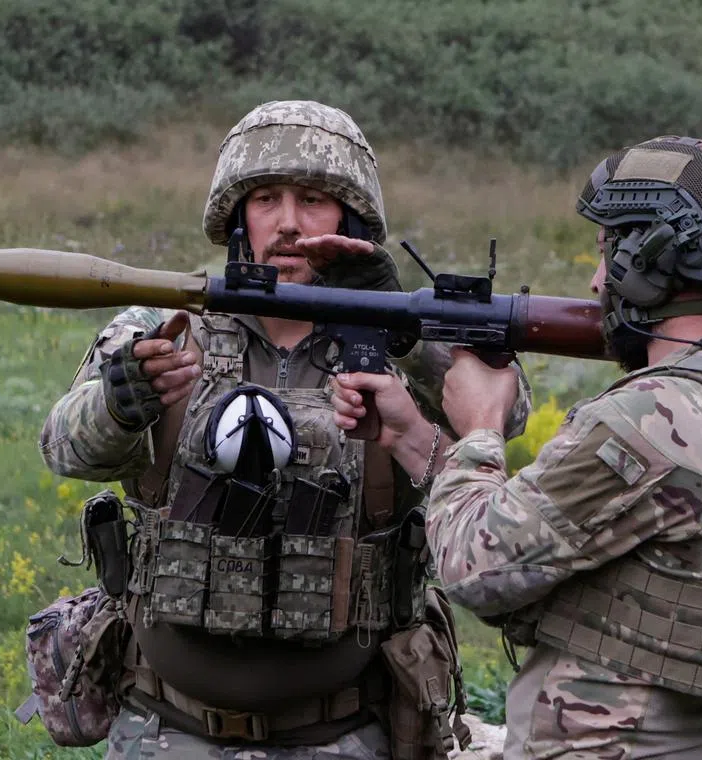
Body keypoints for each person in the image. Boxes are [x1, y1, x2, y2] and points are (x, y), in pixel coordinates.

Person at [37, 100, 530, 759]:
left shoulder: (400, 337)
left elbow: (503, 413)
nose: (289, 222)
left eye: (313, 200)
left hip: (348, 731)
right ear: (237, 216)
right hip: (165, 728)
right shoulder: (165, 328)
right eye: (266, 198)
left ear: (350, 218)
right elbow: (62, 447)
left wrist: (402, 328)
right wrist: (118, 406)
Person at [331, 135, 702, 759]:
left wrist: (481, 425)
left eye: (606, 254)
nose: (596, 283)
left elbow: (477, 569)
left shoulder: (655, 417)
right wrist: (412, 437)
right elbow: (538, 534)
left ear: (651, 259)